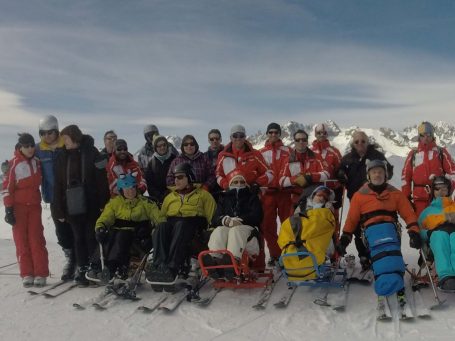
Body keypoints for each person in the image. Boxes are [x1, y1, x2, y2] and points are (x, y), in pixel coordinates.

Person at [336, 159, 419, 298]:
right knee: (381, 246)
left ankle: (389, 274)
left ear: (385, 175)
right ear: (369, 176)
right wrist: (345, 238)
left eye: (380, 172)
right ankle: (389, 275)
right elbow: (352, 219)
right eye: (374, 172)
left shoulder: (395, 194)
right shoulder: (360, 195)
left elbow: (408, 214)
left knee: (389, 245)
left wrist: (414, 231)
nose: (377, 175)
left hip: (390, 227)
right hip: (370, 230)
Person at [53, 125, 110, 286]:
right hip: (71, 204)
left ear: (74, 137)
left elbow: (101, 180)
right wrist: (59, 209)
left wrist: (102, 202)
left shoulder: (92, 153)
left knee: (90, 236)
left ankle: (94, 267)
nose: (64, 142)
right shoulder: (62, 157)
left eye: (66, 139)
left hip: (91, 203)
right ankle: (82, 268)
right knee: (77, 238)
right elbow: (57, 185)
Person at [146, 163, 216, 286]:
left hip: (193, 224)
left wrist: (211, 232)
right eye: (175, 177)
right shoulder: (170, 197)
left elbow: (212, 216)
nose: (176, 180)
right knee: (162, 226)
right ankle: (159, 266)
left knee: (181, 225)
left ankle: (173, 267)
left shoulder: (203, 195)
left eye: (180, 177)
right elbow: (162, 216)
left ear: (189, 178)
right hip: (173, 223)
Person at [87, 173, 165, 281]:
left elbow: (159, 219)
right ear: (121, 190)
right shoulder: (115, 203)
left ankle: (112, 267)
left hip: (137, 235)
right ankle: (96, 265)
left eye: (133, 188)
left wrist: (158, 231)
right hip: (117, 232)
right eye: (127, 188)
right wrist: (100, 227)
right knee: (108, 235)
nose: (131, 191)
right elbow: (106, 217)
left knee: (121, 235)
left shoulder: (146, 203)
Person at [336, 130, 393, 270]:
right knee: (357, 228)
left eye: (363, 141)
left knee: (374, 225)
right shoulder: (348, 158)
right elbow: (339, 170)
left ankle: (377, 253)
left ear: (368, 142)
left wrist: (381, 176)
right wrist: (341, 174)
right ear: (353, 143)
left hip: (375, 197)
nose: (360, 144)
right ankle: (364, 256)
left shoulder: (376, 156)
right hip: (355, 198)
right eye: (357, 141)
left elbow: (389, 171)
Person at [2, 133, 49, 287]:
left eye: (31, 146)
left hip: (34, 207)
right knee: (21, 241)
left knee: (36, 239)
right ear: (20, 147)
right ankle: (27, 273)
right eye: (26, 146)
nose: (30, 149)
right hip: (18, 207)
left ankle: (41, 273)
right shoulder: (13, 164)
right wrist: (8, 209)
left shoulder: (37, 162)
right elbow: (6, 188)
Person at [35, 115, 76, 280]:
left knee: (76, 228)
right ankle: (70, 259)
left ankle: (80, 261)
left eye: (50, 132)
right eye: (42, 133)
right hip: (53, 197)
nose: (47, 136)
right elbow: (25, 155)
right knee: (61, 231)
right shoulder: (38, 149)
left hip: (71, 195)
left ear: (56, 130)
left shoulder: (64, 145)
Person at [203, 170, 263, 279]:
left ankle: (234, 260)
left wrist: (240, 220)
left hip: (248, 232)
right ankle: (215, 259)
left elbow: (257, 216)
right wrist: (224, 220)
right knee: (219, 230)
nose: (239, 184)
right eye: (236, 182)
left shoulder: (251, 197)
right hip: (228, 229)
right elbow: (215, 218)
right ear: (230, 184)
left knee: (236, 231)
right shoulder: (223, 198)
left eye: (242, 182)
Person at [278, 186, 336, 281]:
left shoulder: (327, 210)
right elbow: (293, 222)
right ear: (313, 195)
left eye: (325, 198)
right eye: (319, 195)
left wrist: (327, 211)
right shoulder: (302, 206)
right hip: (301, 236)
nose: (321, 198)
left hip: (317, 236)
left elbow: (326, 225)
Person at [402, 121, 455, 217]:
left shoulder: (441, 152)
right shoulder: (413, 154)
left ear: (432, 135)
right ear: (419, 137)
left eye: (428, 134)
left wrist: (448, 190)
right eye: (422, 135)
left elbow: (453, 173)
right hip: (419, 201)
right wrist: (406, 198)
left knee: (441, 226)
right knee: (421, 227)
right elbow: (405, 178)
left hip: (439, 198)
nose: (426, 137)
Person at [259, 122, 292, 266]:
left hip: (285, 193)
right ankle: (275, 254)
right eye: (270, 132)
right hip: (268, 194)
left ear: (280, 134)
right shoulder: (260, 153)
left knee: (287, 224)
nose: (273, 135)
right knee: (267, 226)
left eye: (276, 132)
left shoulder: (288, 150)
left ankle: (288, 253)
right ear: (267, 134)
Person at [418, 176, 455, 291]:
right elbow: (419, 232)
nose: (440, 192)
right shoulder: (426, 212)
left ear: (449, 190)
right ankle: (446, 276)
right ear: (433, 191)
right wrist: (428, 233)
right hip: (436, 234)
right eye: (437, 189)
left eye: (444, 188)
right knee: (440, 238)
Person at [280, 129, 329, 206]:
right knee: (296, 218)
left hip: (315, 199)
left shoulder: (317, 157)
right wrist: (297, 179)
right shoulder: (288, 160)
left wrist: (310, 177)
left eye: (303, 140)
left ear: (307, 141)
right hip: (296, 200)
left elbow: (326, 174)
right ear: (294, 142)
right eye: (298, 140)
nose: (301, 142)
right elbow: (282, 181)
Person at [216, 124, 273, 190]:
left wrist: (256, 184)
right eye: (235, 136)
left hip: (250, 193)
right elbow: (218, 175)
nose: (238, 138)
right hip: (230, 195)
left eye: (241, 135)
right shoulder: (223, 155)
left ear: (245, 137)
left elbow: (269, 173)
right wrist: (226, 186)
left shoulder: (255, 154)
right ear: (231, 138)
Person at [144, 135, 177, 204]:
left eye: (164, 145)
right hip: (158, 200)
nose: (162, 147)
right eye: (159, 146)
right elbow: (150, 184)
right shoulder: (152, 163)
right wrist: (159, 197)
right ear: (155, 148)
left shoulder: (175, 160)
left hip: (175, 197)